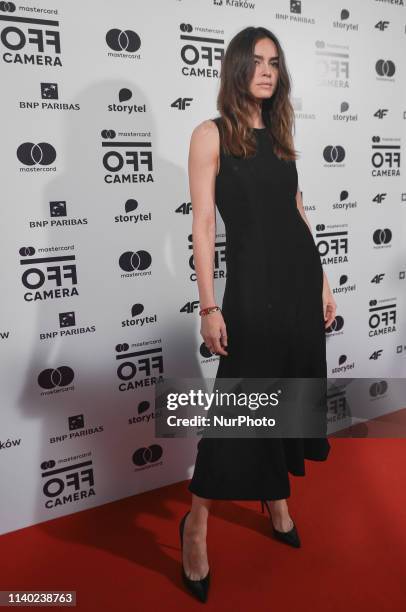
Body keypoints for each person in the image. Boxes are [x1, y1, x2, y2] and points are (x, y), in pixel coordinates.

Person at [179, 26, 337, 603]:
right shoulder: (210, 134)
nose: (267, 71)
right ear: (237, 67)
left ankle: (275, 497)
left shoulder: (282, 134)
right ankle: (196, 522)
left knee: (289, 391)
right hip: (249, 291)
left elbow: (297, 213)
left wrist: (321, 280)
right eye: (257, 61)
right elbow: (200, 226)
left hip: (297, 283)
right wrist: (208, 305)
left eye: (275, 62)